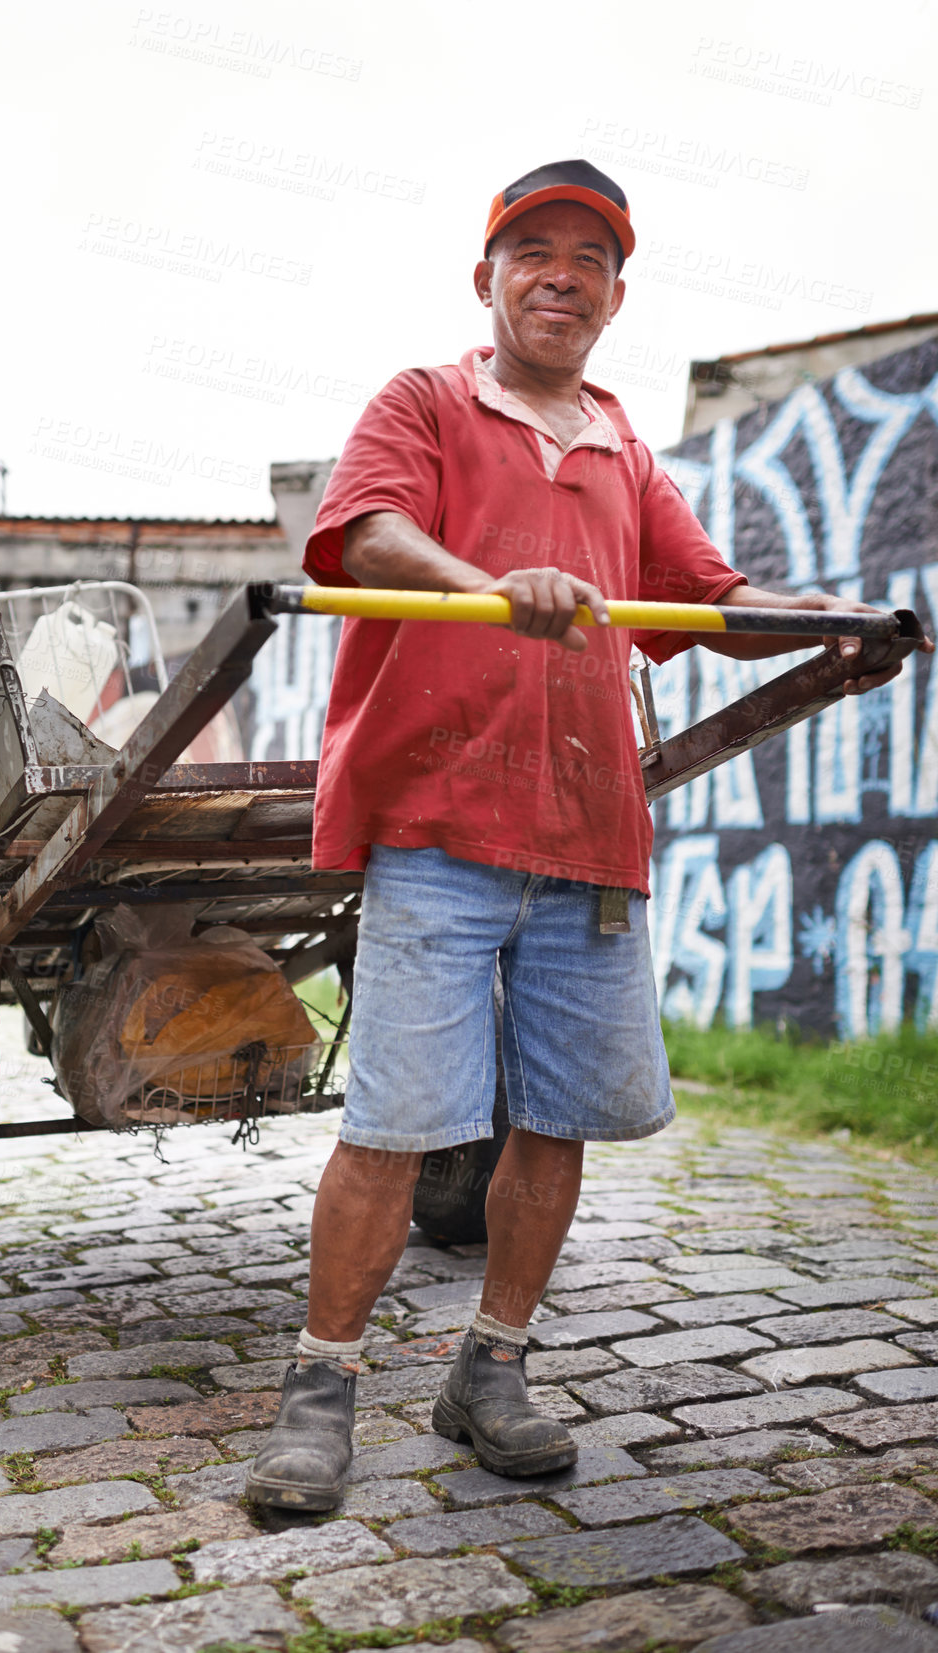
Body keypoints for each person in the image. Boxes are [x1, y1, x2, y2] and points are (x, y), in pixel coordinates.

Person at [245, 158, 927, 1512]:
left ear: (616, 295)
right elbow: (368, 536)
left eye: (591, 258)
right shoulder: (426, 401)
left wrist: (832, 624)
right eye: (534, 250)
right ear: (487, 277)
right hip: (437, 823)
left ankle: (488, 1365)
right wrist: (493, 587)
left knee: (553, 1120)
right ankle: (322, 1387)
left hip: (589, 835)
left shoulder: (621, 444)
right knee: (390, 1124)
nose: (561, 274)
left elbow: (711, 594)